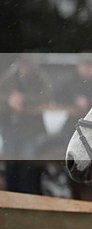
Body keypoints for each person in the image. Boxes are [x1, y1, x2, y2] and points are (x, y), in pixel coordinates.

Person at [0, 54, 53, 193]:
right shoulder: (9, 77)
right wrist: (9, 100)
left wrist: (24, 100)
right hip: (10, 128)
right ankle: (12, 193)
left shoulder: (41, 78)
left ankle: (27, 193)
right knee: (11, 163)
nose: (27, 70)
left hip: (31, 130)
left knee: (28, 164)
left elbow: (46, 96)